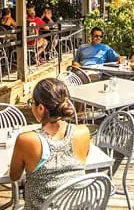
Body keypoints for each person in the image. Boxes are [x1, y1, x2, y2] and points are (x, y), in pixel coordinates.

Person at [10, 78, 90, 209]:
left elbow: (14, 176)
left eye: (32, 103)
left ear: (41, 108)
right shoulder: (83, 132)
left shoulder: (27, 140)